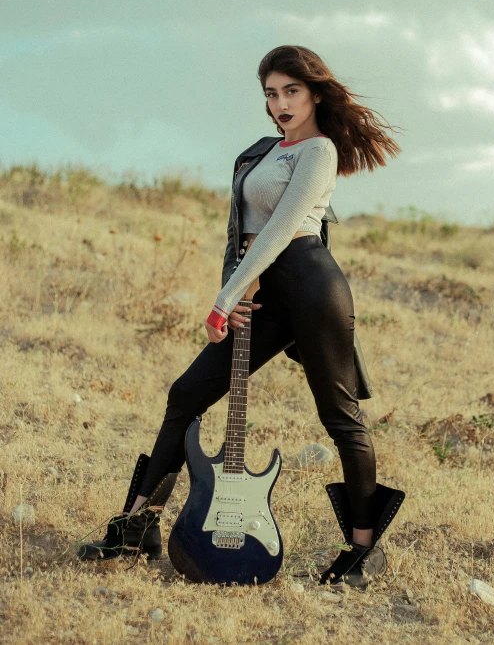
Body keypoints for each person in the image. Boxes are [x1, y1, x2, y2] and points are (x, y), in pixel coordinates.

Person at [77, 45, 405, 588]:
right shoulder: (265, 151)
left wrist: (224, 298)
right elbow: (244, 232)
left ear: (315, 92)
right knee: (186, 394)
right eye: (271, 94)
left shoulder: (319, 152)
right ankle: (136, 527)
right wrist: (238, 286)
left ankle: (362, 550)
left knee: (340, 417)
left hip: (312, 288)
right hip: (265, 292)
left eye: (290, 91)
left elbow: (280, 230)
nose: (279, 103)